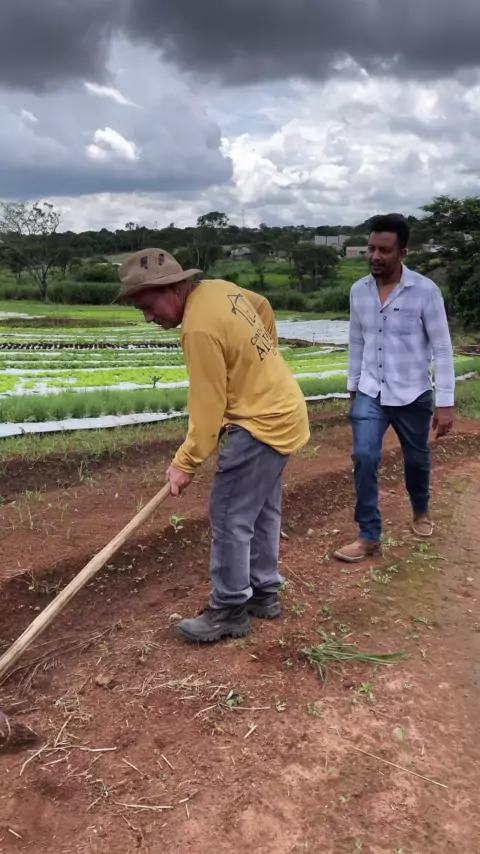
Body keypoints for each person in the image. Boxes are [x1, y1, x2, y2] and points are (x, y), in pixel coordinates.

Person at [114, 249, 310, 641]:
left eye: (149, 306)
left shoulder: (197, 329)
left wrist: (184, 463)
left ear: (174, 288)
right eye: (141, 310)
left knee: (229, 514)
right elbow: (262, 305)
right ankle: (263, 592)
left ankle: (229, 609)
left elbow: (206, 409)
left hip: (260, 423)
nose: (148, 317)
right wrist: (260, 367)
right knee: (261, 510)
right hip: (284, 410)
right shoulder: (219, 289)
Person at [334, 214, 455, 564]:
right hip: (371, 391)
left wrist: (445, 402)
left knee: (416, 459)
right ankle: (369, 535)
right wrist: (353, 386)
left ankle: (420, 510)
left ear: (402, 253)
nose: (375, 256)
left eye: (384, 250)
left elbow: (442, 348)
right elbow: (357, 341)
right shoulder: (359, 291)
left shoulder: (425, 291)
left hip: (413, 393)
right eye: (371, 248)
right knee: (364, 456)